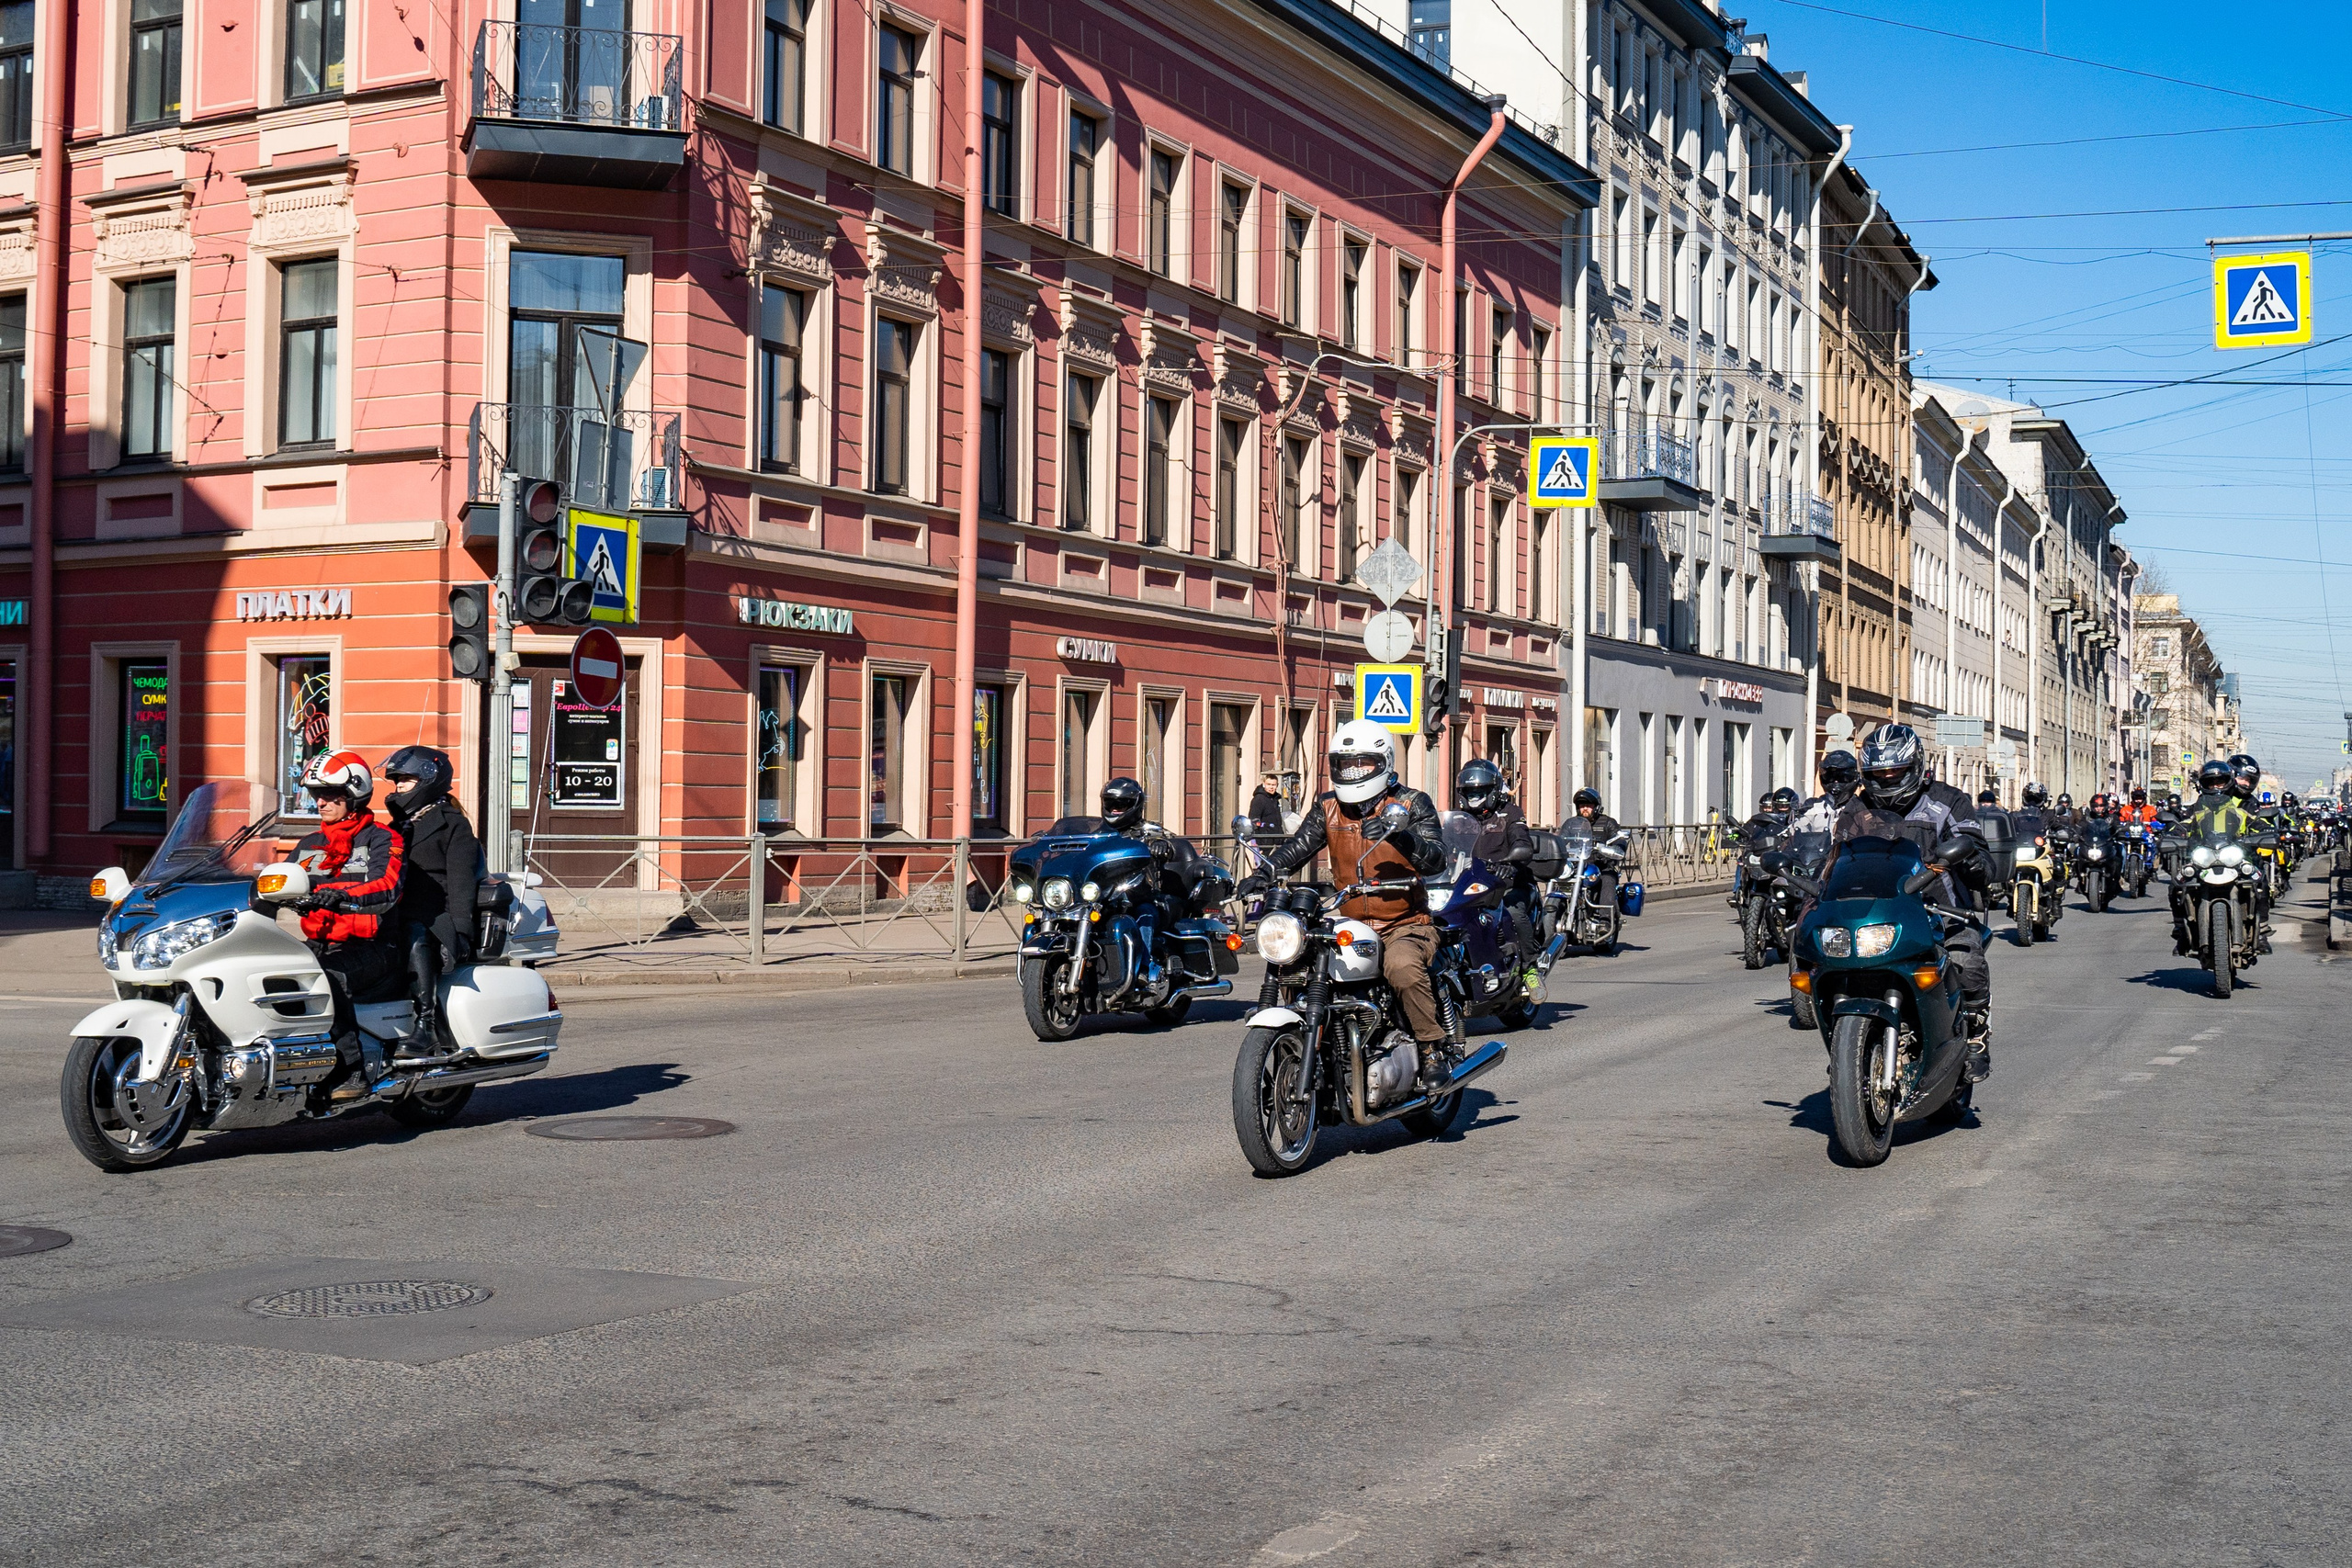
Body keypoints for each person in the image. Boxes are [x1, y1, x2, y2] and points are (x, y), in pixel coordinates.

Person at [1237, 721, 1452, 1090]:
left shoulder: (1412, 803)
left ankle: (1431, 1050)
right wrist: (1266, 871)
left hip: (1405, 921)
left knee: (1400, 966)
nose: (1352, 772)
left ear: (1383, 762)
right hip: (1349, 920)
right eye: (1344, 764)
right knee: (1298, 962)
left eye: (1361, 764)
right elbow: (1300, 847)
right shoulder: (1328, 806)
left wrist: (1401, 837)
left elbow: (1436, 860)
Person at [1833, 724, 1996, 1083]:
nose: (1888, 780)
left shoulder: (1948, 801)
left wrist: (1969, 858)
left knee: (1966, 961)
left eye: (1895, 772)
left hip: (1939, 911)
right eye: (1879, 774)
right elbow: (1836, 859)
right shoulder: (1856, 809)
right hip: (1879, 913)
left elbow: (1980, 858)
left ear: (1915, 766)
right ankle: (1845, 1049)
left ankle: (1976, 1035)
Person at [289, 751, 406, 1095]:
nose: (321, 802)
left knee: (326, 977)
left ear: (355, 793)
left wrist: (336, 894)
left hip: (374, 947)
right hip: (319, 942)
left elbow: (388, 886)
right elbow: (276, 882)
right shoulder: (309, 845)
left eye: (330, 795)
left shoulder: (382, 839)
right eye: (316, 795)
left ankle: (350, 1069)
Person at [380, 746, 481, 1055]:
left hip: (437, 919)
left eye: (405, 780)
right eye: (396, 780)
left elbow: (462, 881)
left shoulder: (453, 825)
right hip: (395, 911)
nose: (398, 786)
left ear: (427, 779)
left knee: (415, 932)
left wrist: (462, 931)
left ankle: (427, 1027)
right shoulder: (396, 827)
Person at [1098, 775, 1189, 988]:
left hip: (1141, 895)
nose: (1116, 809)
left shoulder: (1150, 831)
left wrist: (1162, 845)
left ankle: (1144, 969)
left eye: (1122, 804)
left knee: (1144, 914)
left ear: (1135, 805)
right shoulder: (1099, 833)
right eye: (1111, 804)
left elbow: (1168, 841)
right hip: (1106, 896)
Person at [1455, 757, 1538, 974]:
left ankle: (1530, 968)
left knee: (1514, 913)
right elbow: (1444, 846)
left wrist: (1511, 863)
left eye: (1480, 792)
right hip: (1471, 885)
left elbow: (1521, 841)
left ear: (1493, 791)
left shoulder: (1510, 813)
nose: (1474, 798)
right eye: (1470, 793)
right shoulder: (1458, 819)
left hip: (1509, 883)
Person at [2171, 758, 2258, 954]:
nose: (2216, 786)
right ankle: (2180, 930)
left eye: (2220, 782)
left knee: (2259, 882)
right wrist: (2172, 836)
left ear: (2229, 782)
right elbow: (2181, 826)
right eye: (2210, 782)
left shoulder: (2240, 810)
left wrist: (2264, 833)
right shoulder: (2195, 810)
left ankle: (2261, 933)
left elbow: (2258, 823)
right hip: (2203, 860)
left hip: (2234, 860)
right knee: (2176, 885)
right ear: (2203, 785)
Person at [1569, 787, 1625, 913]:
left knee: (1608, 882)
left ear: (1596, 807)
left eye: (1588, 805)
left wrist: (1618, 847)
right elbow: (1561, 840)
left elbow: (1619, 838)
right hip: (1578, 866)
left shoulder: (1608, 823)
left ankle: (1605, 921)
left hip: (1602, 866)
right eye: (1582, 805)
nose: (1585, 808)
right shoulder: (1572, 824)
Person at [1247, 772, 1288, 838]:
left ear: (1277, 785)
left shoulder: (1275, 799)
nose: (1271, 787)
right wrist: (1257, 841)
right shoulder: (1259, 799)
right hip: (1264, 841)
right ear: (1264, 785)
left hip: (1277, 839)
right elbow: (1254, 821)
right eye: (1268, 784)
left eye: (1273, 785)